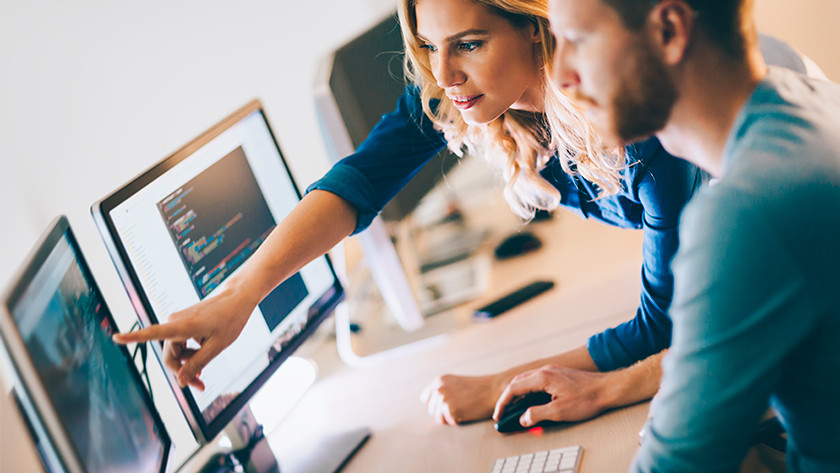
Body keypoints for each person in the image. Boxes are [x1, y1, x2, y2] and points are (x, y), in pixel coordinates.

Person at [495, 0, 840, 471]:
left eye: (578, 40)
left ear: (669, 31)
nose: (562, 75)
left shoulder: (746, 212)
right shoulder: (810, 101)